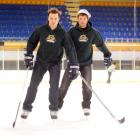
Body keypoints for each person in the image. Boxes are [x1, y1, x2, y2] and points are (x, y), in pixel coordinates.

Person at [21, 8, 79, 119]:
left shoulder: (63, 33)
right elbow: (31, 41)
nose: (53, 20)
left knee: (54, 87)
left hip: (55, 64)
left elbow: (70, 49)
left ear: (59, 19)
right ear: (48, 18)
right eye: (51, 18)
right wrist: (28, 55)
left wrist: (74, 64)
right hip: (40, 62)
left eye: (55, 18)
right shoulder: (41, 30)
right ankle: (26, 108)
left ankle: (54, 108)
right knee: (33, 85)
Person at [58, 9, 112, 116]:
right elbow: (67, 47)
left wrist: (107, 54)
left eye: (84, 18)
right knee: (64, 85)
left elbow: (100, 44)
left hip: (86, 64)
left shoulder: (93, 33)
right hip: (73, 64)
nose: (82, 20)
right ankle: (57, 105)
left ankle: (86, 106)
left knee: (87, 87)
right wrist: (71, 61)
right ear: (77, 19)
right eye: (80, 18)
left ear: (88, 19)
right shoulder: (71, 32)